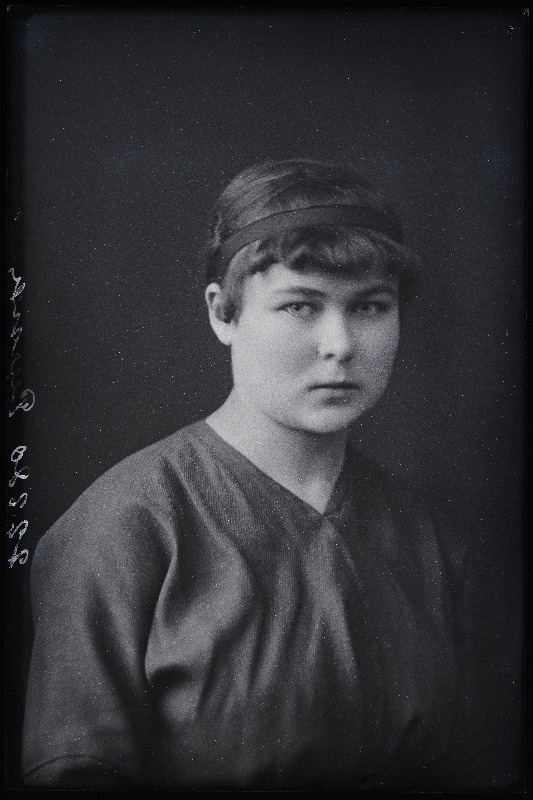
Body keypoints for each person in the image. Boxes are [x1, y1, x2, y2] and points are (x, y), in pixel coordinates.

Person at [21, 159, 518, 790]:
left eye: (371, 306)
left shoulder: (432, 539)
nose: (340, 344)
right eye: (300, 306)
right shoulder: (122, 528)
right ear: (222, 314)